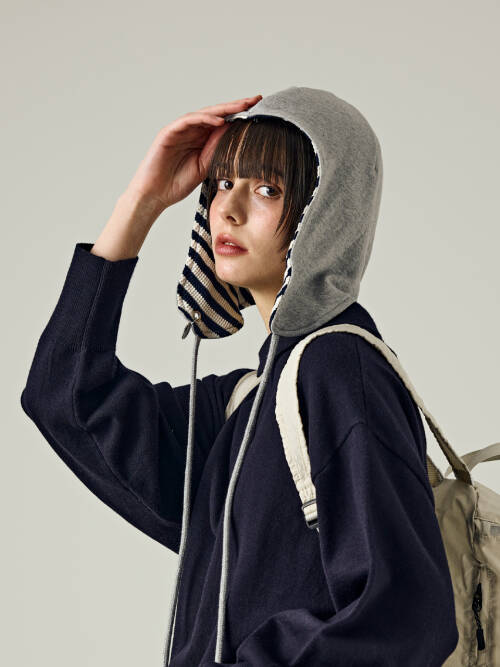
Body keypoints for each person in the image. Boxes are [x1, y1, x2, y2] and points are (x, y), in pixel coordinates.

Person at [20, 86, 459, 666]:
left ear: (327, 213)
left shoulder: (337, 369)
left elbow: (404, 615)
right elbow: (65, 395)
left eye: (268, 189)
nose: (227, 209)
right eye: (223, 182)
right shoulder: (247, 402)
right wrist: (142, 201)